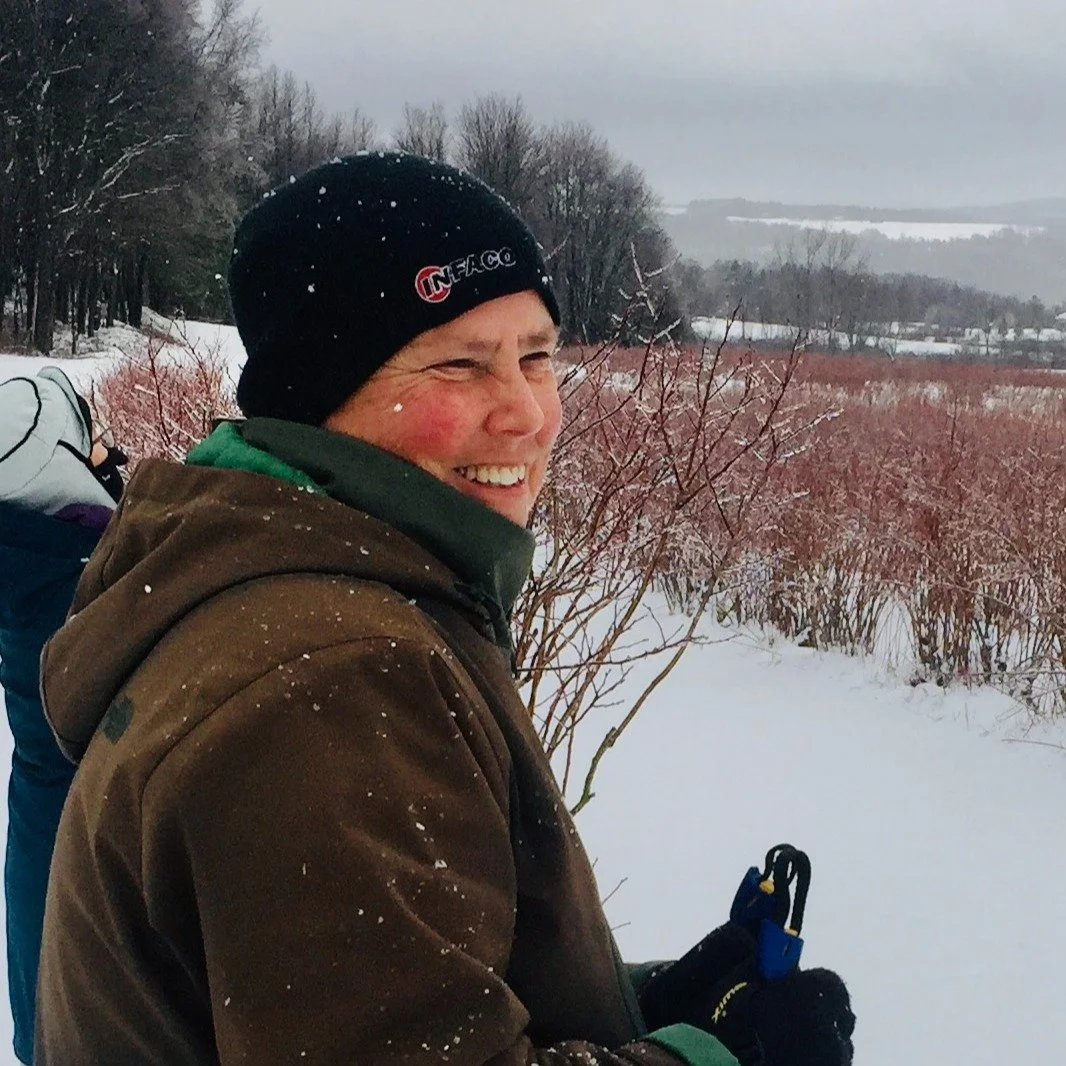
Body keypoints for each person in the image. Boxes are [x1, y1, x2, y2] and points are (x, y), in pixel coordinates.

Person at [34, 153, 853, 1065]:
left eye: (537, 357)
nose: (526, 414)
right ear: (321, 396)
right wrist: (721, 1060)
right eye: (460, 364)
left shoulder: (296, 591)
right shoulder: (330, 682)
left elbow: (369, 1009)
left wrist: (652, 1008)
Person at [0, 366, 125, 1064]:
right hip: (55, 577)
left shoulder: (25, 534)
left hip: (29, 579)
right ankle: (53, 1032)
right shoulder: (74, 570)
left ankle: (42, 1029)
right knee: (63, 824)